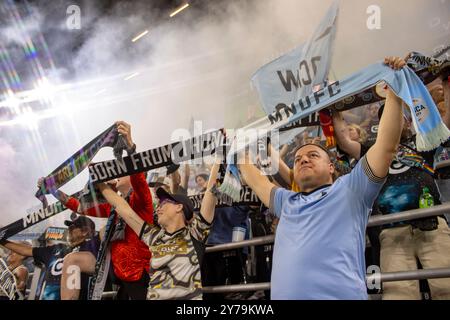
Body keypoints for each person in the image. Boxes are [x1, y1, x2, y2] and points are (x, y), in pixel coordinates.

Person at [237, 56, 406, 299]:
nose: (303, 159)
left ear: (331, 167)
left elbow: (387, 147)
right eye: (297, 159)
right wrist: (238, 148)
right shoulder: (287, 202)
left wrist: (395, 90)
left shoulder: (352, 189)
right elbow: (257, 180)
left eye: (313, 155)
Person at [42, 121, 153, 300]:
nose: (117, 175)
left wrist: (130, 146)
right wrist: (53, 190)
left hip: (139, 272)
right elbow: (78, 206)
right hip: (114, 268)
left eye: (123, 172)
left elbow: (138, 176)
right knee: (72, 259)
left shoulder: (141, 199)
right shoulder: (110, 207)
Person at [98, 160, 221, 300]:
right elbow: (122, 207)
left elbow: (211, 192)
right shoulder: (153, 235)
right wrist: (99, 182)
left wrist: (217, 161)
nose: (158, 207)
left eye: (164, 203)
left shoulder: (195, 234)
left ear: (179, 207)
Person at [1, 215, 99, 300]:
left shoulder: (92, 247)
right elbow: (25, 250)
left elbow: (105, 233)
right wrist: (2, 241)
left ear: (85, 231)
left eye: (73, 227)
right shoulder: (56, 249)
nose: (69, 229)